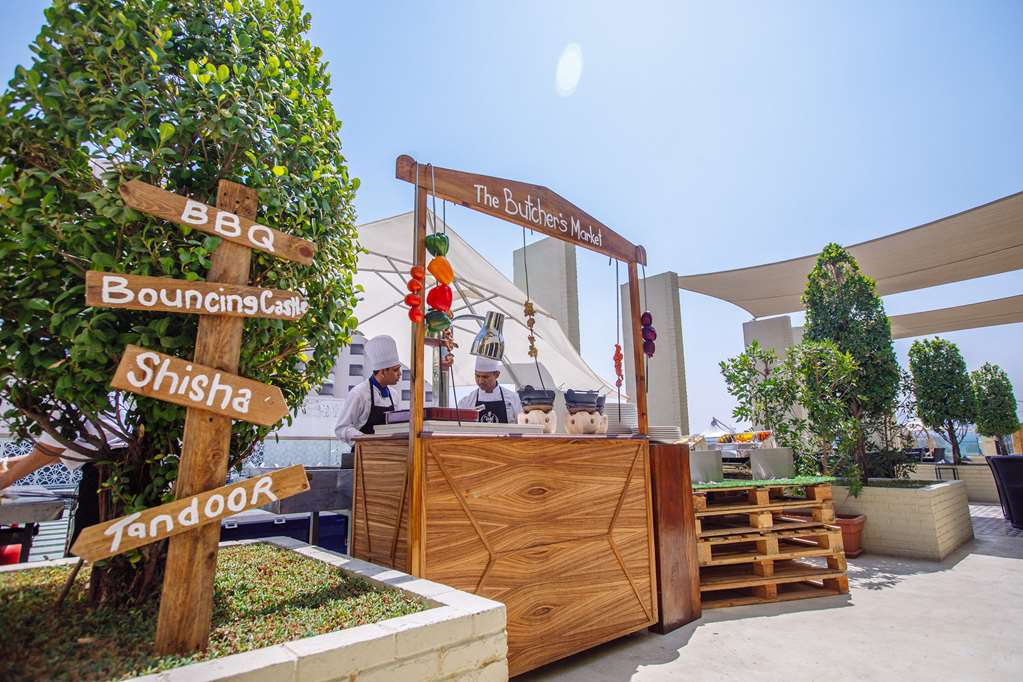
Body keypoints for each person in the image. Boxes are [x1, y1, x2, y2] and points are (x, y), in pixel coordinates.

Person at [0, 401, 129, 552]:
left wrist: (7, 478)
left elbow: (52, 449)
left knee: (88, 549)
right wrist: (6, 463)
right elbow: (65, 450)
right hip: (116, 468)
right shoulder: (93, 396)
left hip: (107, 476)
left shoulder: (62, 398)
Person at [334, 335, 454, 445]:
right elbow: (342, 428)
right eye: (395, 370)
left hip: (388, 451)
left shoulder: (394, 394)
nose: (400, 374)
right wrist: (366, 440)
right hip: (363, 453)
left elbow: (395, 426)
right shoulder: (359, 393)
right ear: (382, 372)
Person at [458, 356, 522, 424]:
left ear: (497, 375)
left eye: (485, 377)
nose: (480, 381)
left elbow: (522, 425)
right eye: (477, 376)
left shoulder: (513, 398)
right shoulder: (466, 402)